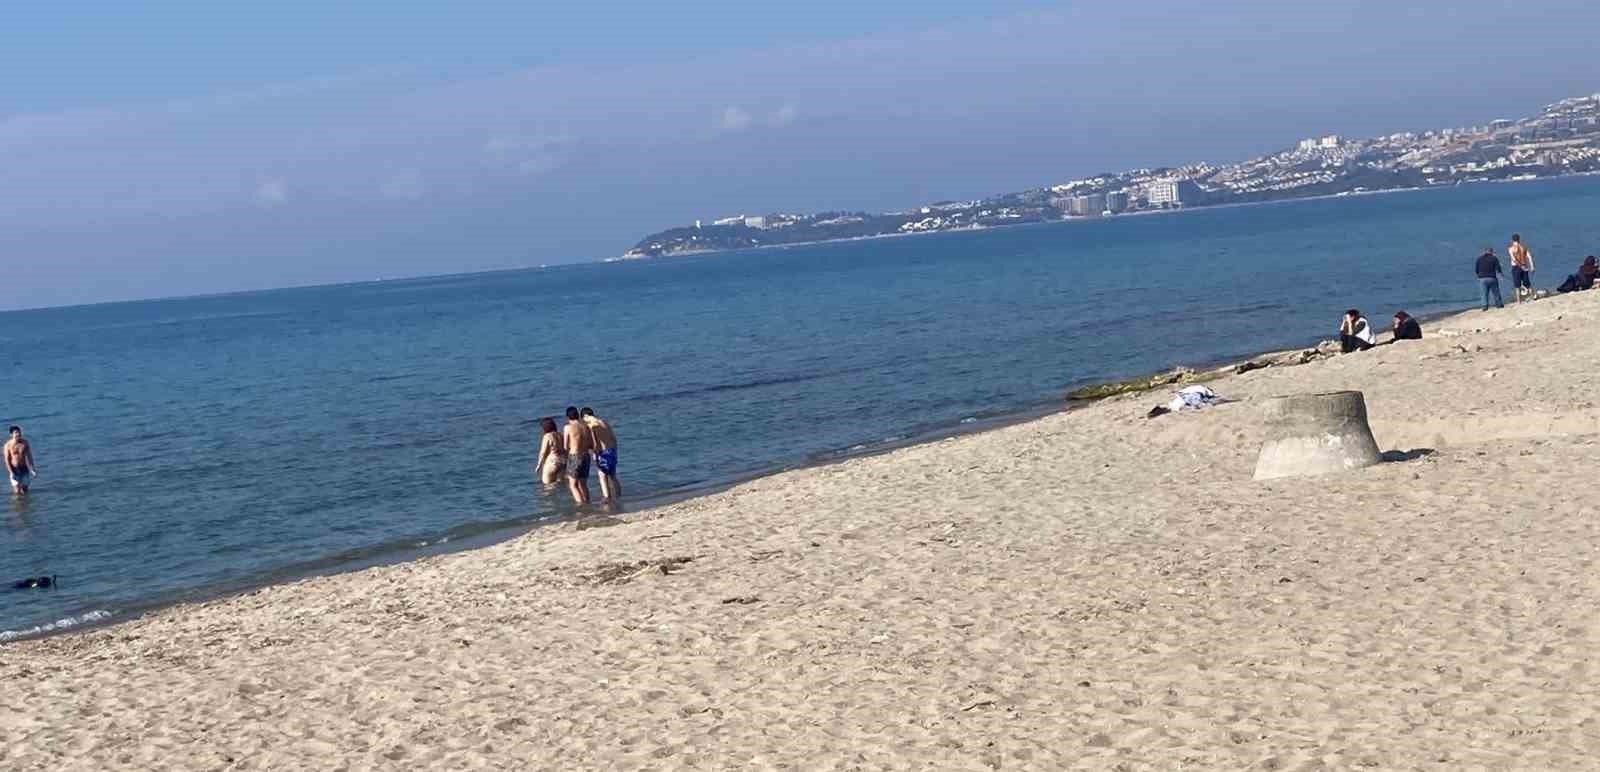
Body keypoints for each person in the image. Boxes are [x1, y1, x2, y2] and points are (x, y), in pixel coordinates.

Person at [580, 407, 622, 503]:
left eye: (583, 419)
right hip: (612, 451)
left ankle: (607, 498)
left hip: (603, 452)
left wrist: (595, 453)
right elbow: (613, 438)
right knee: (613, 476)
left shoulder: (592, 426)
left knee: (602, 476)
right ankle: (619, 496)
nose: (584, 421)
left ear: (585, 416)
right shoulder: (604, 422)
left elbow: (595, 443)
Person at [561, 406, 593, 504]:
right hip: (586, 456)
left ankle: (581, 505)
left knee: (573, 485)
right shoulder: (585, 426)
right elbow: (590, 443)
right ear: (578, 415)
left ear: (568, 417)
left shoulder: (568, 427)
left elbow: (565, 446)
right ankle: (587, 503)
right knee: (583, 484)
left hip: (575, 456)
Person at [5, 426, 37, 495]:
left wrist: (32, 469)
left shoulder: (25, 443)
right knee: (17, 491)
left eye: (19, 432)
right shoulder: (8, 445)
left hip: (24, 468)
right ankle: (17, 502)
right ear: (11, 435)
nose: (18, 434)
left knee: (25, 490)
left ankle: (25, 501)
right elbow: (7, 460)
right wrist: (11, 472)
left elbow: (29, 456)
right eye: (16, 432)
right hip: (14, 469)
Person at [534, 417, 566, 485]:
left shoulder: (547, 436)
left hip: (552, 462)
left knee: (547, 487)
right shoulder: (560, 435)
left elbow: (543, 452)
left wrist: (539, 465)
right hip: (563, 462)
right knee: (561, 485)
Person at [1508, 234, 1536, 302]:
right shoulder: (1523, 247)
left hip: (1516, 267)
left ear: (1512, 240)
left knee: (1517, 286)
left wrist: (1521, 267)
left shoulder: (1511, 248)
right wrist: (1532, 267)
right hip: (1524, 266)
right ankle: (1532, 298)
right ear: (1519, 239)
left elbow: (1514, 259)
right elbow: (1529, 257)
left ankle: (1519, 302)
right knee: (1527, 284)